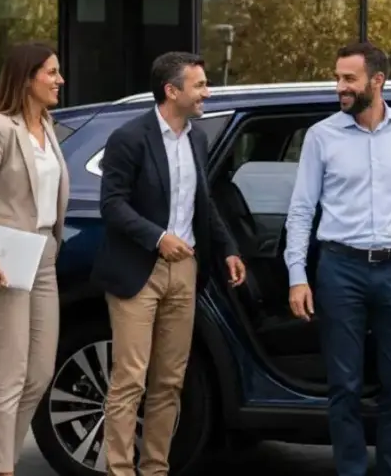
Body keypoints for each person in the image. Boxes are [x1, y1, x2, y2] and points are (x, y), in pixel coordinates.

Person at [92, 51, 247, 476]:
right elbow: (112, 205)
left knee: (170, 381)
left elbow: (203, 203)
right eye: (200, 85)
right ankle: (120, 471)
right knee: (130, 379)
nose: (207, 93)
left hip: (185, 272)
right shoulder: (129, 138)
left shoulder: (197, 139)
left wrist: (229, 248)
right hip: (136, 272)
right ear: (171, 91)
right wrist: (159, 238)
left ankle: (155, 469)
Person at [284, 41, 391, 476]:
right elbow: (301, 209)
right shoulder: (321, 136)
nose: (340, 87)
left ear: (377, 81)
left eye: (349, 79)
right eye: (337, 78)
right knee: (344, 386)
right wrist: (297, 275)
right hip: (340, 269)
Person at [0, 42, 70, 476]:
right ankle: (0, 468)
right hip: (4, 259)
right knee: (9, 373)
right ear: (27, 78)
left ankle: (2, 461)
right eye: (51, 72)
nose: (60, 80)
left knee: (39, 373)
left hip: (44, 255)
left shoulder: (49, 127)